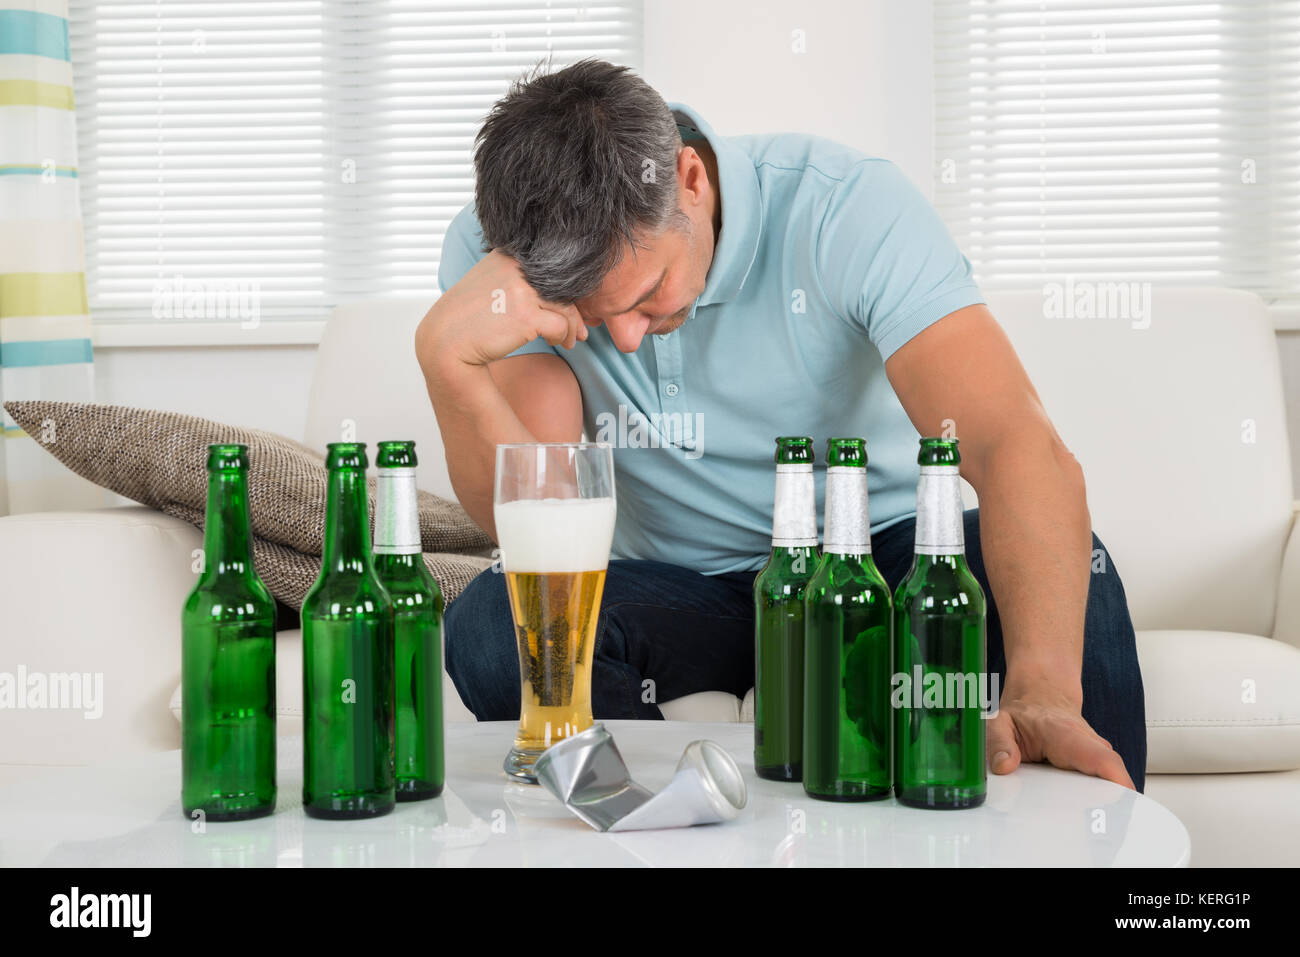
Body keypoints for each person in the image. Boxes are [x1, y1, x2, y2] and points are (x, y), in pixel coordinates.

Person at [415, 59, 1146, 792]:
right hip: (679, 591)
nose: (627, 339)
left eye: (645, 294)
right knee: (491, 623)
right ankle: (667, 823)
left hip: (865, 569)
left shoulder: (847, 208)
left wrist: (1043, 688)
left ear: (690, 180)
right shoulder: (500, 254)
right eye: (597, 317)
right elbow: (547, 517)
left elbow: (1011, 444)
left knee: (1076, 564)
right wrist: (450, 361)